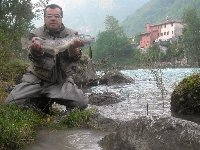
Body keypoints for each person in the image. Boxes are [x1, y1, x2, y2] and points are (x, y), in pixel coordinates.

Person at [5, 4, 89, 114]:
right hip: (36, 80)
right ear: (44, 18)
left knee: (82, 103)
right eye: (49, 16)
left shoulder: (72, 34)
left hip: (60, 81)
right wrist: (36, 50)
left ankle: (48, 99)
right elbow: (32, 57)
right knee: (9, 104)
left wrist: (74, 48)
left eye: (57, 16)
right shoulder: (35, 34)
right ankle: (41, 101)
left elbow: (75, 58)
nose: (53, 18)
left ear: (61, 18)